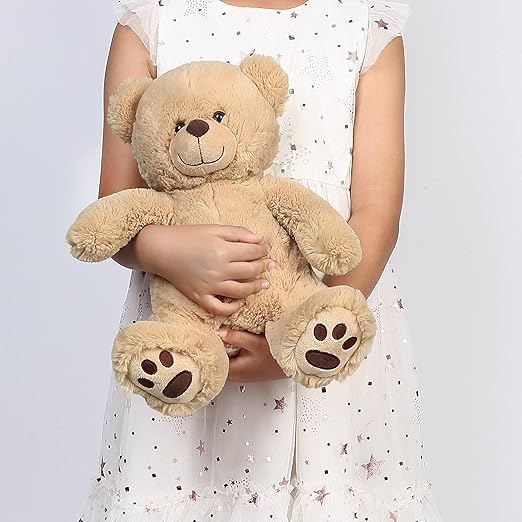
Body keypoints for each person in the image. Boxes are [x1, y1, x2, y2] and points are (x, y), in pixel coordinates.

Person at [79, 1, 443, 520]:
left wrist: (302, 339)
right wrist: (169, 251)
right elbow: (115, 206)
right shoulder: (154, 18)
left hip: (323, 331)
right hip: (188, 337)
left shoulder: (366, 25)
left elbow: (377, 212)